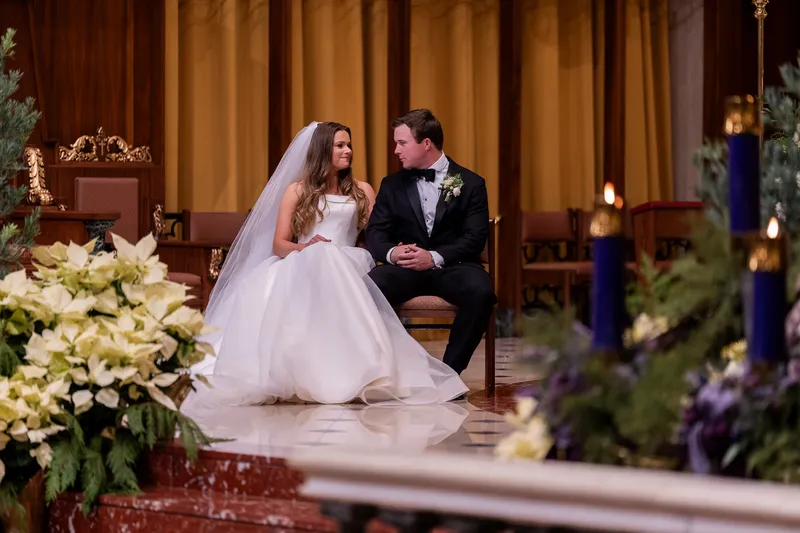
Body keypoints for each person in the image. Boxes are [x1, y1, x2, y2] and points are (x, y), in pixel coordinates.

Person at [187, 121, 468, 407]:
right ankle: (306, 369)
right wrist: (307, 248)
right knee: (320, 257)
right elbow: (279, 244)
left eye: (349, 145)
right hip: (305, 260)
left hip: (350, 261)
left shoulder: (362, 190)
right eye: (340, 145)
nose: (348, 151)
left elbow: (377, 236)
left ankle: (359, 369)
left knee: (331, 257)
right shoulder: (297, 191)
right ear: (323, 150)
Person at [366, 109, 496, 376]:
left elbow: (474, 238)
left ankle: (448, 374)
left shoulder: (471, 184)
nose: (396, 150)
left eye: (402, 143)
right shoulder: (391, 185)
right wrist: (392, 253)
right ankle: (392, 371)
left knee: (481, 291)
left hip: (453, 266)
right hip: (405, 269)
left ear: (426, 143)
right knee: (370, 286)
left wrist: (434, 257)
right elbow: (375, 234)